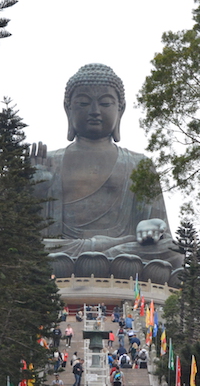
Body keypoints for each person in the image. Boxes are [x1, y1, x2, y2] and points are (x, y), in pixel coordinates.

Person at [30, 63, 183, 284]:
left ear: (120, 109)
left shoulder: (139, 164)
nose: (94, 111)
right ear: (68, 109)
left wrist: (152, 226)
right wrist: (36, 191)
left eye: (105, 103)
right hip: (62, 250)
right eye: (83, 103)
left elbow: (162, 231)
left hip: (123, 251)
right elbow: (22, 232)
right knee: (22, 251)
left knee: (172, 251)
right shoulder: (48, 161)